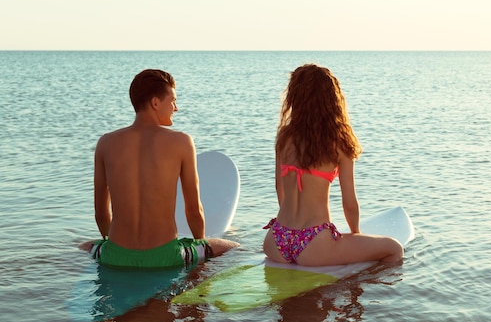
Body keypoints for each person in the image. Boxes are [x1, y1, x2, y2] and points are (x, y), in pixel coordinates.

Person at [80, 69, 238, 268]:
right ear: (155, 103)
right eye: (172, 101)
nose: (176, 108)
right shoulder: (181, 142)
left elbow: (101, 213)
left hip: (115, 255)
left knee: (83, 245)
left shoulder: (105, 143)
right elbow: (193, 210)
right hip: (165, 256)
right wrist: (201, 246)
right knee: (233, 245)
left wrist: (113, 247)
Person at [263, 64, 403, 266]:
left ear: (294, 97)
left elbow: (279, 187)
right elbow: (349, 203)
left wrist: (291, 230)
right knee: (394, 249)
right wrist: (355, 235)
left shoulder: (284, 137)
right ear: (332, 100)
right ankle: (358, 290)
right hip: (314, 244)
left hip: (276, 241)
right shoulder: (339, 141)